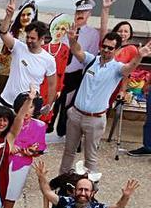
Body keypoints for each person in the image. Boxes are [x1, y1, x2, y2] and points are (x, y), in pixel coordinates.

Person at [59, 30, 150, 177]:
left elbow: (129, 68)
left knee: (90, 157)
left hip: (94, 120)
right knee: (68, 152)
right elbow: (77, 51)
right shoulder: (92, 60)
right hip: (76, 114)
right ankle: (62, 181)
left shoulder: (117, 68)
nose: (106, 50)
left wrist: (139, 55)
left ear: (117, 50)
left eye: (110, 48)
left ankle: (90, 188)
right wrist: (72, 40)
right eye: (104, 46)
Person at [50, 0, 101, 139]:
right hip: (59, 71)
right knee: (53, 100)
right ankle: (48, 127)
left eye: (84, 11)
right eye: (78, 11)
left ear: (89, 13)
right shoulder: (64, 27)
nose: (80, 14)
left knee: (68, 104)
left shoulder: (92, 34)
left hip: (75, 73)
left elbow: (90, 58)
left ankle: (62, 130)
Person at [0, 0, 57, 111]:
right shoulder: (18, 47)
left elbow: (52, 85)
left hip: (28, 107)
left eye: (33, 38)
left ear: (42, 39)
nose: (29, 41)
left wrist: (48, 105)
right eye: (28, 37)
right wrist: (8, 16)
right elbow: (3, 33)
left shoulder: (49, 60)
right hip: (7, 101)